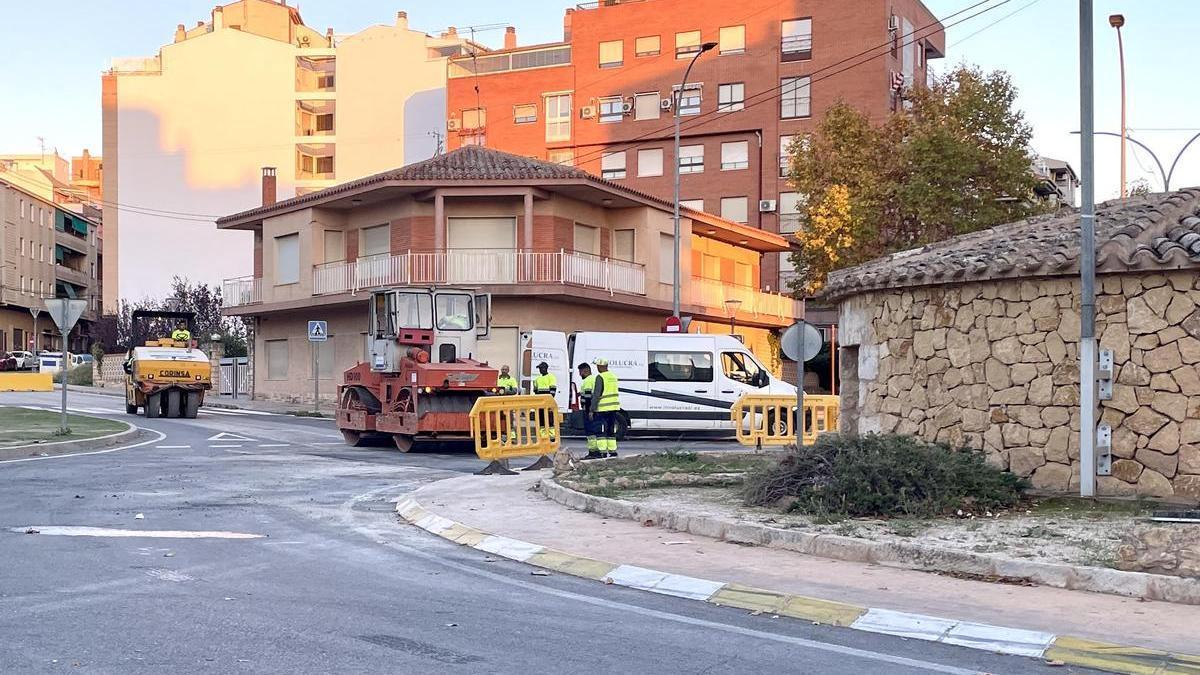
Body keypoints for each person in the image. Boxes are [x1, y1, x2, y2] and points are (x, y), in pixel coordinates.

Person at [591, 358, 621, 458]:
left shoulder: (600, 377)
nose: (597, 368)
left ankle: (602, 451)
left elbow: (596, 395)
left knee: (601, 430)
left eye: (597, 366)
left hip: (603, 409)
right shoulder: (613, 376)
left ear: (600, 366)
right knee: (611, 430)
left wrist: (592, 409)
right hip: (613, 408)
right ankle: (612, 451)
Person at [577, 363, 602, 459]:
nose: (580, 374)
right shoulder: (594, 379)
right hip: (595, 410)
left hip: (588, 410)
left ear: (585, 371)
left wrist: (588, 410)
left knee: (590, 432)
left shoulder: (587, 381)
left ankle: (593, 452)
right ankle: (597, 451)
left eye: (580, 372)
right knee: (596, 431)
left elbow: (587, 398)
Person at [533, 361, 558, 441]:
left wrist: (550, 402)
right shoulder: (537, 379)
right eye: (539, 368)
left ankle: (552, 436)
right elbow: (536, 392)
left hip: (548, 402)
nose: (540, 370)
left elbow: (553, 391)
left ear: (546, 368)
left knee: (550, 420)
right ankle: (543, 436)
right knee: (541, 421)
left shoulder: (551, 377)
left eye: (542, 368)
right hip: (540, 403)